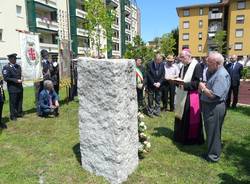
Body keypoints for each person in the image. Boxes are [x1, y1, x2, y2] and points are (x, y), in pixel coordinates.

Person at [199, 51, 230, 162]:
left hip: (215, 107)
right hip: (210, 107)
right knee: (211, 131)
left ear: (217, 63)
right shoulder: (215, 72)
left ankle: (213, 156)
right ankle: (211, 152)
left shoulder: (221, 75)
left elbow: (213, 95)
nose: (207, 65)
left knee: (214, 132)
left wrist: (202, 88)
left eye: (209, 63)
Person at [173, 49, 204, 145]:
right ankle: (180, 136)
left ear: (189, 56)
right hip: (182, 94)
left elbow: (197, 82)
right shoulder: (183, 66)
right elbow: (181, 78)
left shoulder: (197, 66)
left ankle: (190, 139)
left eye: (182, 57)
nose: (180, 59)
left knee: (189, 117)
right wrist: (176, 80)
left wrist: (184, 86)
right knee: (180, 116)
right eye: (180, 57)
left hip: (191, 96)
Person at [2, 53, 23, 121]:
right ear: (10, 59)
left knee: (19, 101)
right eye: (13, 58)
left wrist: (22, 77)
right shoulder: (6, 67)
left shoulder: (18, 66)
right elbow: (6, 78)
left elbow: (20, 74)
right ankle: (13, 115)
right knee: (13, 102)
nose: (15, 60)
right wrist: (16, 80)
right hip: (12, 88)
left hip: (19, 87)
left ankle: (19, 113)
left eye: (15, 58)